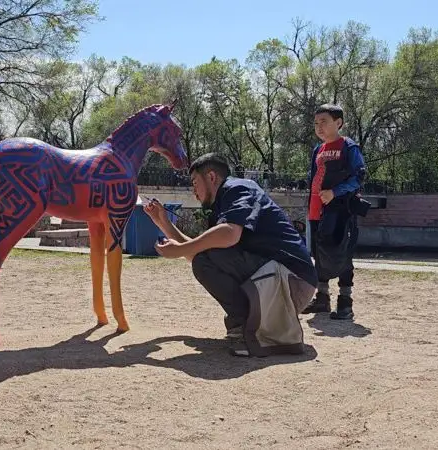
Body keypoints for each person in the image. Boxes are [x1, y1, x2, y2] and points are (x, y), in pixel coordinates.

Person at [144, 153, 318, 351]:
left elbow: (229, 235)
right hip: (283, 280)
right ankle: (245, 325)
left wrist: (180, 249)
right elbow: (199, 256)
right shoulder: (223, 203)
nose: (194, 192)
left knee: (209, 253)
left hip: (294, 283)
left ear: (211, 177)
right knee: (204, 257)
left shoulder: (238, 188)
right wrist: (163, 223)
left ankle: (246, 327)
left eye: (195, 183)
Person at [301, 103, 367, 320]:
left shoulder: (348, 147)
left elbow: (359, 177)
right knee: (318, 255)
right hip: (316, 211)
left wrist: (335, 192)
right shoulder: (317, 150)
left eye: (324, 122)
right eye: (316, 123)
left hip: (341, 211)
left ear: (338, 123)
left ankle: (345, 304)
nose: (319, 127)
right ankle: (322, 300)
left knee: (343, 254)